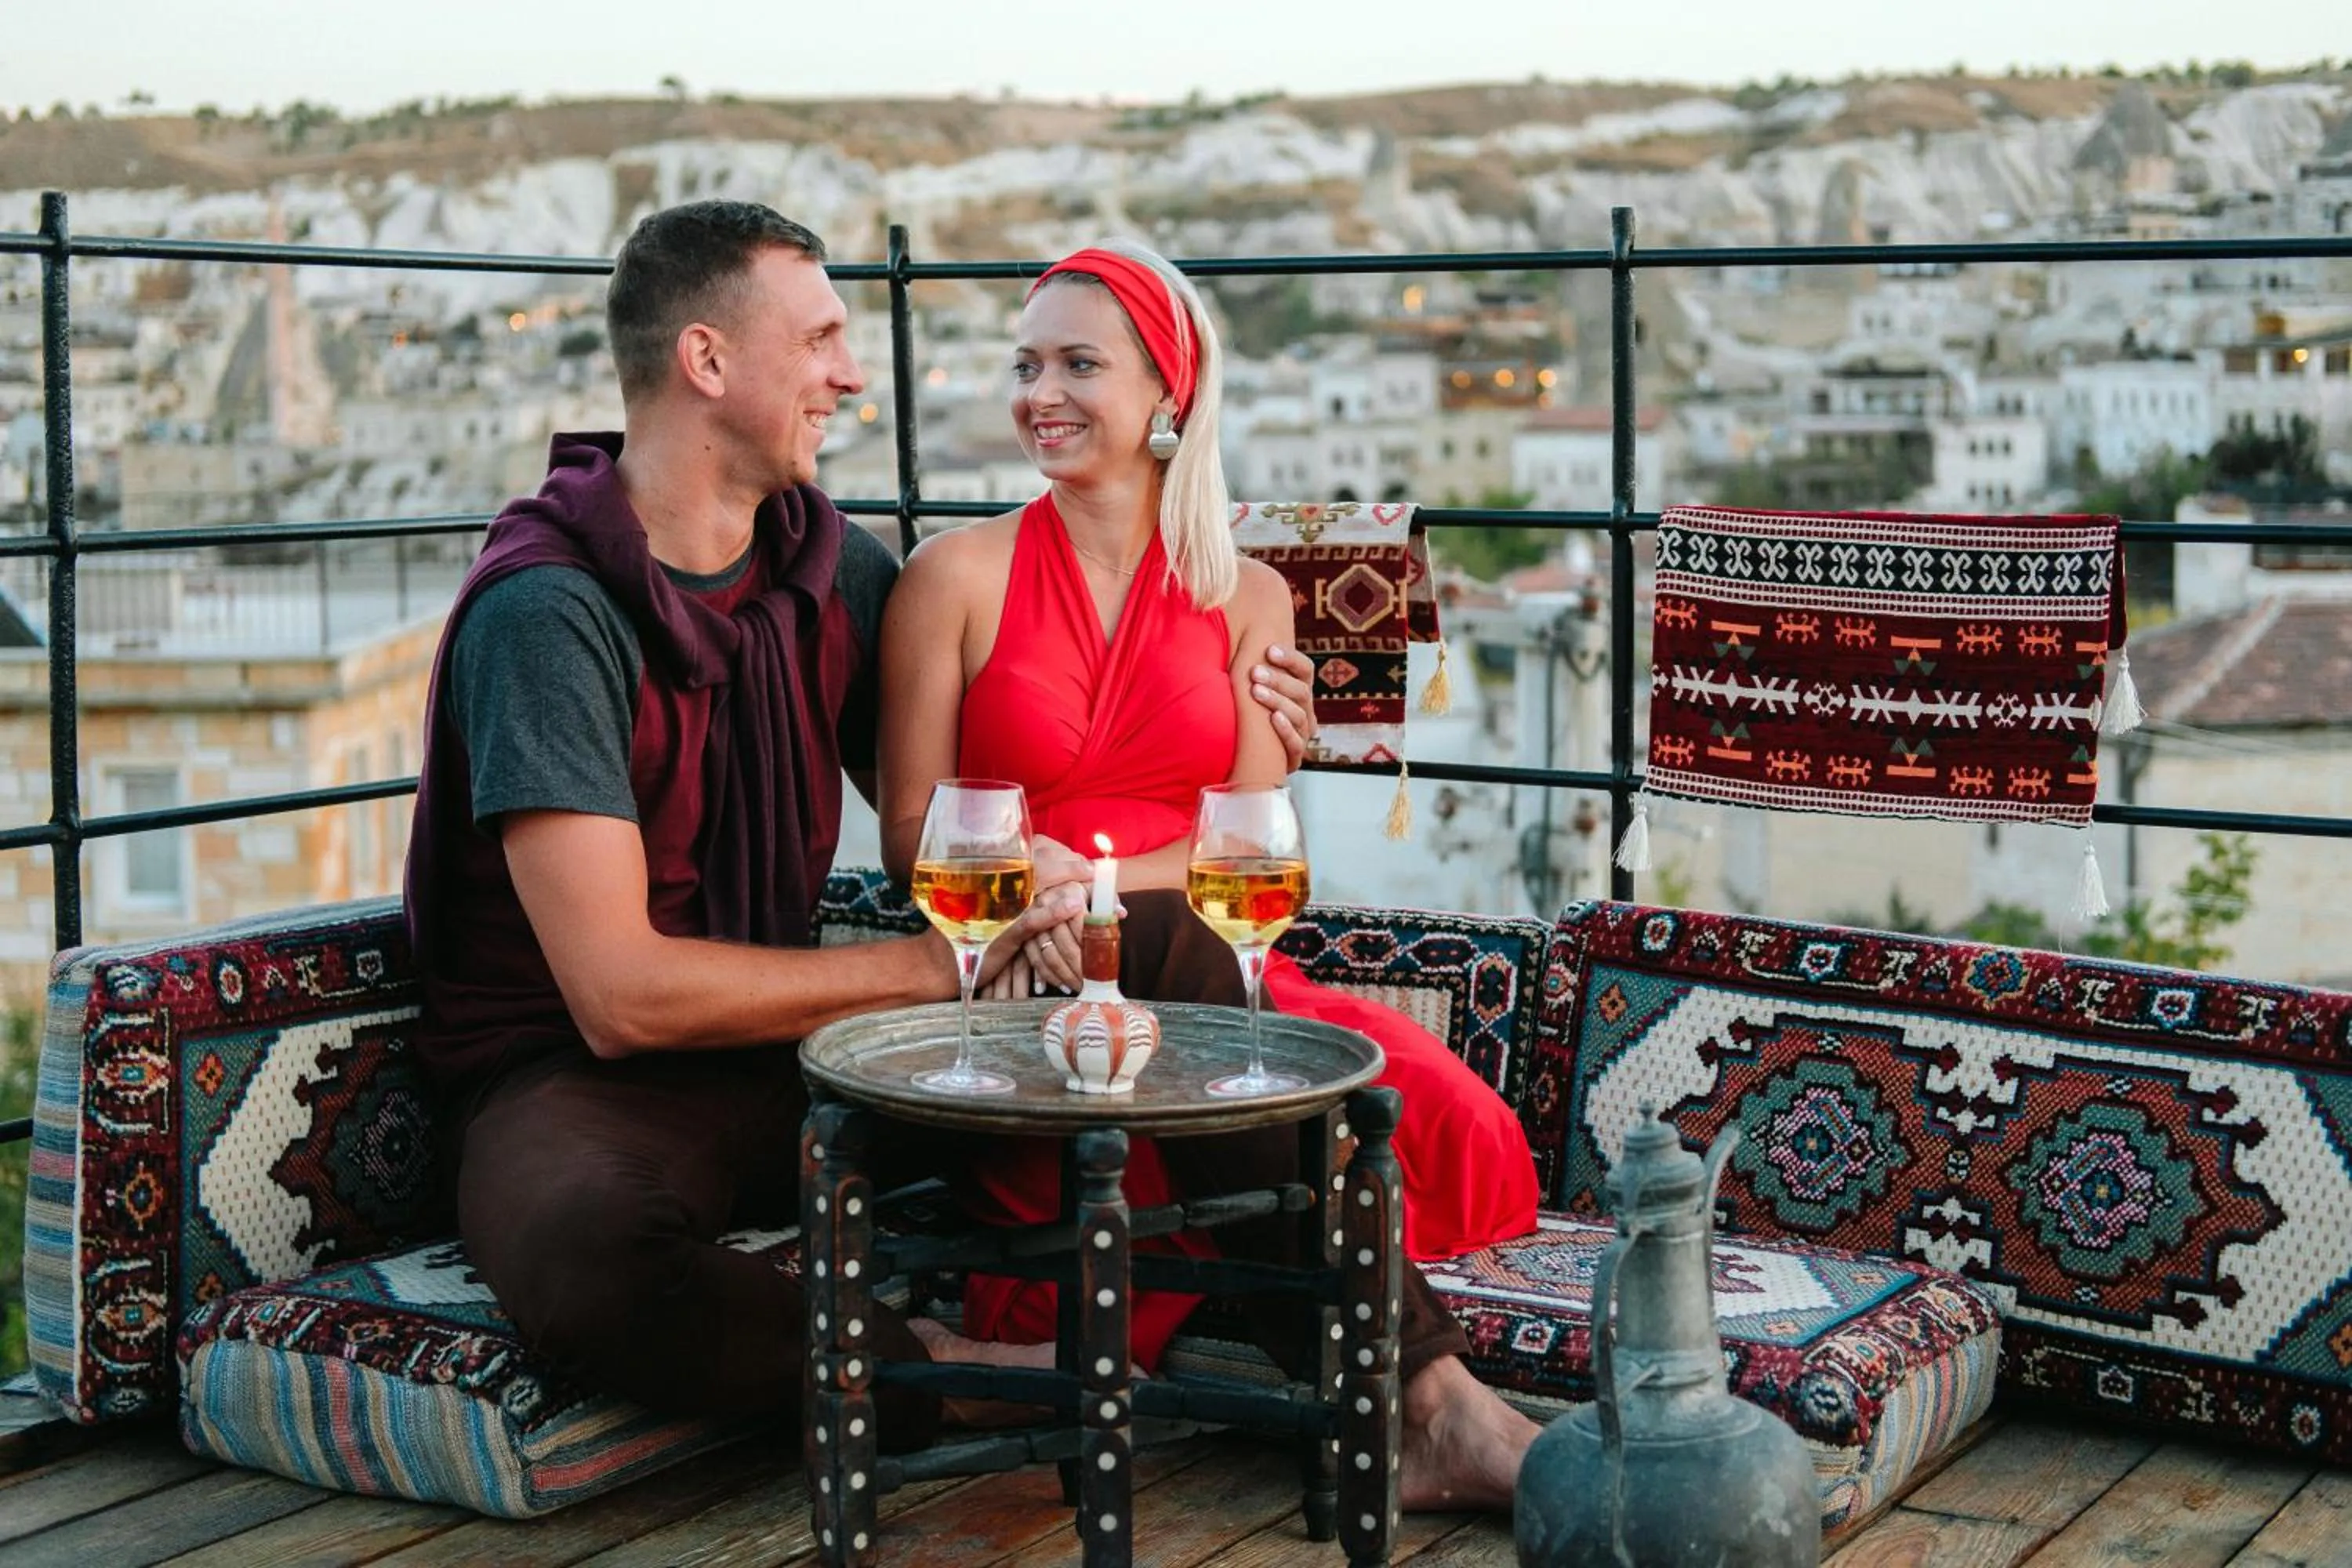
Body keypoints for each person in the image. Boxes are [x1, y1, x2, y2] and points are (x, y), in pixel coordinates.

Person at [402, 201, 1323, 1456]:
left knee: (1166, 937)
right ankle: (937, 1372)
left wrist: (1273, 718)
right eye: (824, 337)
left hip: (809, 1054)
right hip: (581, 1082)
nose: (851, 372)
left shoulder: (828, 572)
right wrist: (953, 967)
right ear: (709, 362)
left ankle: (1413, 1391)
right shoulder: (549, 617)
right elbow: (622, 998)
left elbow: (990, 794)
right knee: (590, 1257)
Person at [877, 239, 1542, 1508]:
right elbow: (913, 830)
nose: (1040, 394)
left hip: (1188, 950)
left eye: (1080, 362)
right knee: (1210, 1000)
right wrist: (1042, 882)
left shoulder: (1250, 597)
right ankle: (1427, 1408)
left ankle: (1405, 1403)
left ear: (1166, 392)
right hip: (1019, 965)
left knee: (1432, 1117)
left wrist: (1104, 882)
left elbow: (1246, 842)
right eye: (1025, 365)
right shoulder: (948, 578)